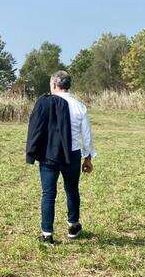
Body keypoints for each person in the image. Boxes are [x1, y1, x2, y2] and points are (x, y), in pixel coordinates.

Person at [26, 70, 96, 244]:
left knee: (48, 193)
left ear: (54, 84)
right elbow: (86, 135)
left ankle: (47, 234)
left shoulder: (44, 102)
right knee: (72, 189)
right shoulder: (79, 105)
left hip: (49, 154)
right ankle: (73, 226)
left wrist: (32, 151)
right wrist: (87, 157)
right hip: (71, 155)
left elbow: (36, 128)